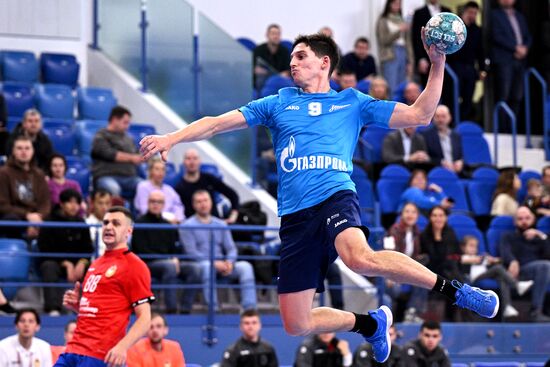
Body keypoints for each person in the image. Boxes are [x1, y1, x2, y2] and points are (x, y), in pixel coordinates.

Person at [140, 32, 499, 364]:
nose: (293, 63)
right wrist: (173, 138)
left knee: (358, 257)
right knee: (296, 323)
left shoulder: (352, 102)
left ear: (324, 62)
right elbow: (217, 122)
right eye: (292, 58)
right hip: (295, 218)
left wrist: (438, 64)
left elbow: (420, 115)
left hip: (335, 196)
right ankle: (370, 325)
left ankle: (456, 291)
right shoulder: (278, 102)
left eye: (301, 56)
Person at [55, 206, 155, 367]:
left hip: (100, 355)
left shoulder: (134, 266)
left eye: (116, 223)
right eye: (106, 222)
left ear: (128, 231)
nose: (109, 227)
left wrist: (122, 347)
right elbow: (101, 312)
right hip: (73, 350)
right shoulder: (96, 263)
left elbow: (145, 318)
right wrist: (78, 307)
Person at [180, 190, 257, 310]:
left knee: (245, 267)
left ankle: (250, 309)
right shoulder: (186, 226)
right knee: (207, 266)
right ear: (194, 205)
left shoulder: (221, 224)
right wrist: (214, 263)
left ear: (211, 202)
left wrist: (229, 262)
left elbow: (231, 248)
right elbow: (191, 252)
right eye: (199, 202)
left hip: (223, 265)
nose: (203, 204)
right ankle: (213, 309)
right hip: (201, 264)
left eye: (205, 200)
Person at [132, 190, 201, 314]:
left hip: (167, 262)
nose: (156, 204)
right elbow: (141, 251)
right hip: (147, 264)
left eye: (159, 202)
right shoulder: (139, 223)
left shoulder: (167, 225)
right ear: (148, 203)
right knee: (170, 267)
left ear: (164, 205)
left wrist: (174, 258)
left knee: (194, 269)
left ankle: (186, 309)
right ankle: (171, 309)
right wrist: (169, 260)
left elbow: (173, 249)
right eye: (153, 201)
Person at [37, 189, 93, 315]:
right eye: (70, 202)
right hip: (56, 262)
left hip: (77, 263)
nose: (74, 206)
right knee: (48, 266)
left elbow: (88, 249)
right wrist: (66, 263)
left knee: (93, 268)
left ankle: (88, 308)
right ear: (61, 204)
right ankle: (53, 309)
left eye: (77, 203)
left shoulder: (81, 223)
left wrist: (82, 262)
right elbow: (45, 249)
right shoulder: (49, 222)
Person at [459, 235, 533, 318]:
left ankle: (507, 306)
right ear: (463, 247)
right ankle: (516, 285)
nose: (474, 249)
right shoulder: (465, 257)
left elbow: (499, 260)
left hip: (486, 275)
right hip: (475, 278)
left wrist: (492, 259)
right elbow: (465, 259)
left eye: (476, 246)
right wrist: (481, 258)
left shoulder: (481, 257)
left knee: (501, 278)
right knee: (498, 269)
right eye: (471, 246)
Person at [500, 206, 550, 322]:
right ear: (515, 222)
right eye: (520, 219)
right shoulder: (508, 236)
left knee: (545, 266)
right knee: (545, 266)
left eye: (527, 218)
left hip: (542, 272)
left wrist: (541, 236)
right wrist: (512, 260)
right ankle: (535, 312)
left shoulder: (541, 237)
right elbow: (505, 252)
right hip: (520, 271)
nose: (524, 222)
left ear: (533, 219)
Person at [0, 135, 51, 239]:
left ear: (32, 151)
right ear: (13, 151)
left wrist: (37, 219)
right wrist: (27, 216)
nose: (24, 152)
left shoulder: (39, 174)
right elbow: (3, 205)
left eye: (27, 148)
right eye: (19, 148)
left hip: (37, 218)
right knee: (11, 220)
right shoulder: (3, 173)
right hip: (16, 217)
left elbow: (45, 203)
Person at [386, 203, 429, 322]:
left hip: (406, 269)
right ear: (402, 214)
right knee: (394, 290)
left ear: (418, 216)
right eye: (407, 211)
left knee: (425, 276)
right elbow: (388, 254)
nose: (410, 215)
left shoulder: (416, 232)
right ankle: (392, 320)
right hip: (393, 271)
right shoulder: (393, 230)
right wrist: (389, 275)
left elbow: (413, 255)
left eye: (413, 212)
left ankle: (412, 312)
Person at [446, 1, 486, 121]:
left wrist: (482, 69)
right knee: (452, 97)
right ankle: (452, 122)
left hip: (470, 68)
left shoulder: (477, 30)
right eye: (470, 12)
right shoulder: (454, 28)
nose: (472, 15)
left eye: (475, 13)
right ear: (464, 12)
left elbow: (480, 51)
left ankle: (463, 122)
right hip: (454, 66)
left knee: (468, 98)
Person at [490, 0, 531, 117]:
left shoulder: (520, 16)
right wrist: (515, 48)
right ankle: (502, 129)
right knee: (504, 94)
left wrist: (525, 48)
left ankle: (512, 127)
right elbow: (496, 36)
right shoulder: (494, 15)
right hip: (504, 60)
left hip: (520, 61)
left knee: (517, 96)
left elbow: (528, 36)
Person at [91, 105, 143, 198]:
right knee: (114, 189)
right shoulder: (101, 136)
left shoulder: (128, 138)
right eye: (125, 122)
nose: (127, 127)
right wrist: (132, 158)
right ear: (115, 120)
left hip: (130, 178)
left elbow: (138, 155)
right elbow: (109, 153)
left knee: (144, 187)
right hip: (106, 176)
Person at [175, 148, 239, 222]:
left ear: (200, 161)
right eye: (188, 159)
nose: (192, 162)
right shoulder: (179, 187)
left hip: (214, 224)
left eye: (195, 158)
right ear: (184, 162)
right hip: (192, 227)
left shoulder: (209, 179)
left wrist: (234, 215)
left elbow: (233, 195)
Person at [411, 0, 451, 86]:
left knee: (445, 87)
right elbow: (416, 38)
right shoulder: (419, 13)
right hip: (426, 55)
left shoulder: (447, 12)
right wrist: (421, 58)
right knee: (428, 85)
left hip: (445, 57)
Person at [376, 0, 412, 95]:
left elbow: (407, 42)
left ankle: (401, 108)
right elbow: (383, 40)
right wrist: (399, 30)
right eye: (394, 3)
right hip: (390, 54)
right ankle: (392, 108)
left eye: (399, 4)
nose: (397, 6)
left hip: (403, 52)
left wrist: (410, 60)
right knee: (391, 85)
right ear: (389, 4)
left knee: (402, 85)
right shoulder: (383, 19)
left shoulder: (402, 19)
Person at [134, 157, 185, 223]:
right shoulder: (142, 187)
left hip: (170, 224)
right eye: (157, 169)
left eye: (163, 169)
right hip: (150, 222)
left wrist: (178, 219)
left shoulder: (169, 189)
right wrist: (166, 220)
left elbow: (178, 206)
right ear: (151, 171)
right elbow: (144, 210)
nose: (160, 173)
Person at [420, 105, 464, 174]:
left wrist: (460, 162)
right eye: (437, 116)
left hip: (455, 173)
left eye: (443, 116)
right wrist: (441, 162)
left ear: (449, 118)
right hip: (436, 173)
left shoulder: (456, 136)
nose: (440, 120)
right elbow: (425, 158)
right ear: (433, 118)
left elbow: (461, 156)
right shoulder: (425, 135)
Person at [253, 24, 291, 90]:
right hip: (263, 82)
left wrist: (285, 74)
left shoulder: (284, 51)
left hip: (279, 82)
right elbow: (255, 69)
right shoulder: (258, 50)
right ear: (267, 35)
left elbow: (287, 71)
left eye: (278, 34)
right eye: (273, 34)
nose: (276, 36)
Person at [85, 189, 113, 257]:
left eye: (107, 203)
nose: (104, 207)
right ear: (92, 204)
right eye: (100, 203)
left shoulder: (117, 224)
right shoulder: (86, 223)